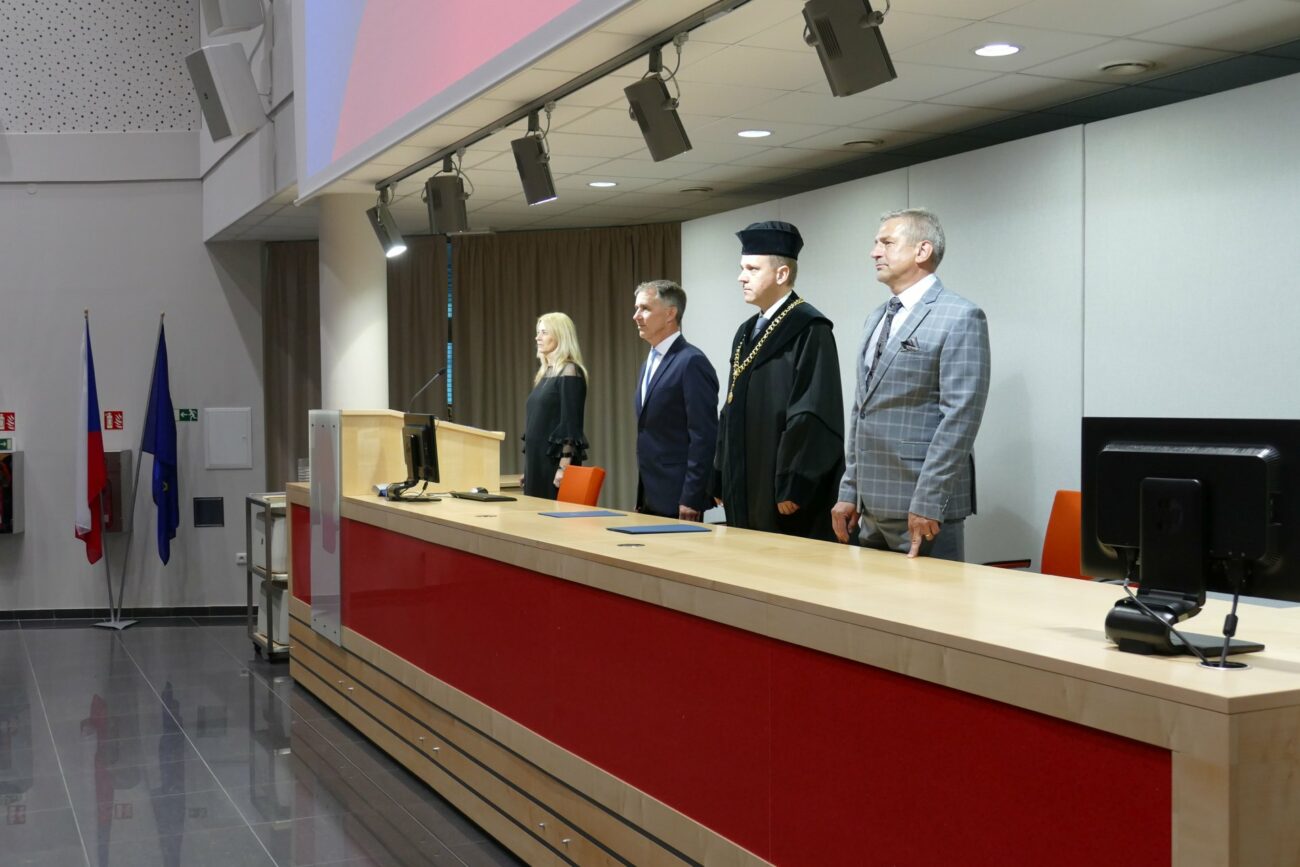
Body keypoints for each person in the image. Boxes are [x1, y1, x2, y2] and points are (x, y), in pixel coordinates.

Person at [832, 208, 990, 560]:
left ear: (922, 250)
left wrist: (929, 500)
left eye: (887, 243)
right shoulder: (877, 316)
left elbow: (960, 418)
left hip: (923, 508)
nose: (874, 252)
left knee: (931, 596)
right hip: (870, 507)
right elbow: (862, 409)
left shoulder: (960, 316)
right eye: (876, 243)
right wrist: (849, 490)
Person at [713, 220, 844, 540]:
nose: (741, 277)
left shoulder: (810, 328)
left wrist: (794, 480)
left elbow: (811, 410)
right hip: (745, 478)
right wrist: (720, 472)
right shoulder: (745, 332)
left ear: (782, 274)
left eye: (752, 269)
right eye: (742, 268)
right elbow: (730, 406)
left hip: (782, 488)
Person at [632, 280, 719, 520]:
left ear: (670, 313)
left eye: (645, 308)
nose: (636, 316)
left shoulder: (691, 361)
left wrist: (691, 497)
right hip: (650, 496)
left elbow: (703, 436)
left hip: (680, 499)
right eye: (637, 308)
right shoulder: (648, 363)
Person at [522, 312, 589, 499]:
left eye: (544, 332)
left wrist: (563, 467)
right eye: (538, 332)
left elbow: (571, 424)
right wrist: (528, 469)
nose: (537, 337)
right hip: (537, 463)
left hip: (554, 465)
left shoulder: (570, 371)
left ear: (560, 336)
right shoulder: (545, 374)